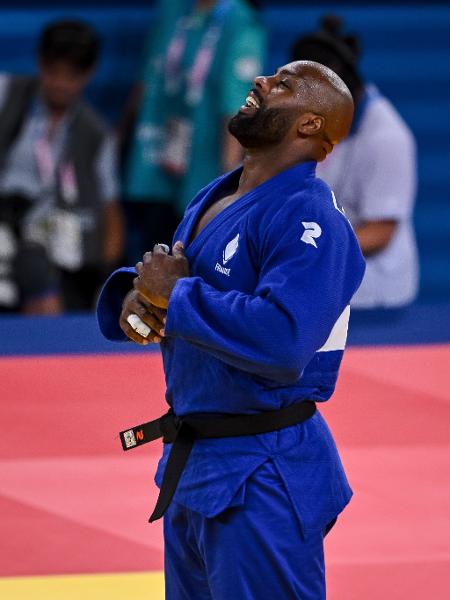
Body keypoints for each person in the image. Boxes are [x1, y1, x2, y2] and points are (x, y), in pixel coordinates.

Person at [97, 61, 365, 599]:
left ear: (310, 125)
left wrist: (175, 297)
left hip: (263, 471)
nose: (262, 82)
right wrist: (139, 299)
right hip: (197, 464)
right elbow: (178, 281)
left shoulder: (311, 220)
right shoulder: (218, 196)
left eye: (283, 84)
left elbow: (282, 339)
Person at [121, 0, 266, 264]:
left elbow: (236, 104)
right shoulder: (173, 7)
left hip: (205, 167)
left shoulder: (240, 21)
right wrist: (123, 137)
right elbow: (148, 73)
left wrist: (230, 182)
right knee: (149, 258)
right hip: (158, 160)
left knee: (186, 264)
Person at [291, 16, 419, 309]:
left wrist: (307, 250)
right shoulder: (321, 122)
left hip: (377, 297)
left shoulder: (387, 138)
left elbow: (380, 232)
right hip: (328, 282)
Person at [0, 19, 123, 312]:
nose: (61, 84)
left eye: (72, 75)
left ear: (89, 74)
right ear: (40, 63)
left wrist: (105, 278)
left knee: (41, 269)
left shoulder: (97, 135)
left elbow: (111, 214)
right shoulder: (7, 93)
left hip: (54, 243)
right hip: (3, 222)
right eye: (53, 72)